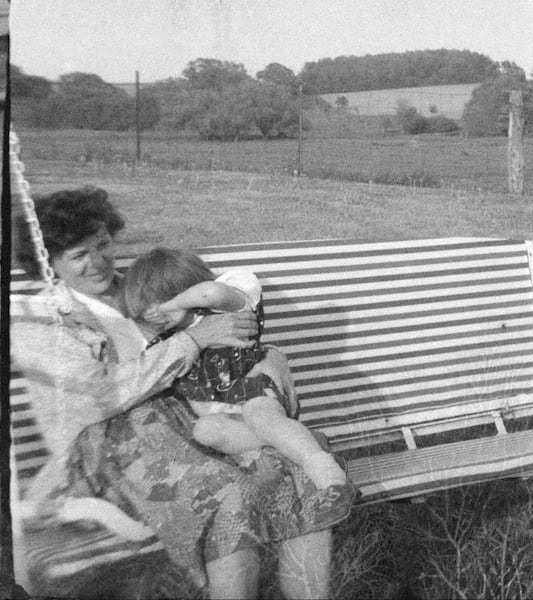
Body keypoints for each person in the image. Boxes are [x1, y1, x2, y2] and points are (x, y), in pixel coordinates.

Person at [10, 186, 351, 599]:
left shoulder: (141, 287)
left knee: (296, 475)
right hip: (108, 444)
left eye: (102, 245)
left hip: (189, 420)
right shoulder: (39, 322)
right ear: (49, 263)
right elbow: (102, 394)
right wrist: (194, 341)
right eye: (79, 255)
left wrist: (265, 360)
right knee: (227, 495)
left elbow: (227, 322)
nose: (98, 262)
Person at [122, 247, 350, 491]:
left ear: (184, 287)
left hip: (254, 388)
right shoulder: (170, 343)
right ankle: (307, 441)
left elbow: (211, 292)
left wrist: (173, 304)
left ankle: (320, 466)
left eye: (157, 303)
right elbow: (146, 373)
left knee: (261, 418)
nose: (153, 313)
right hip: (224, 413)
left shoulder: (227, 308)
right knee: (205, 432)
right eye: (147, 309)